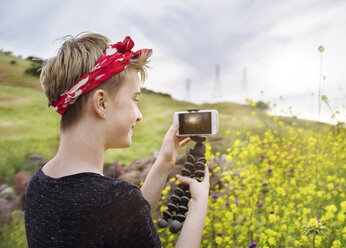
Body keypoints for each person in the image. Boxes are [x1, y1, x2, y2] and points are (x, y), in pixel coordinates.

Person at [24, 32, 210, 248]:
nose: (139, 115)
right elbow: (118, 214)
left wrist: (164, 163)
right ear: (101, 103)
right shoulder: (116, 199)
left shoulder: (38, 184)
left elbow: (122, 229)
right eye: (134, 99)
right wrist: (198, 205)